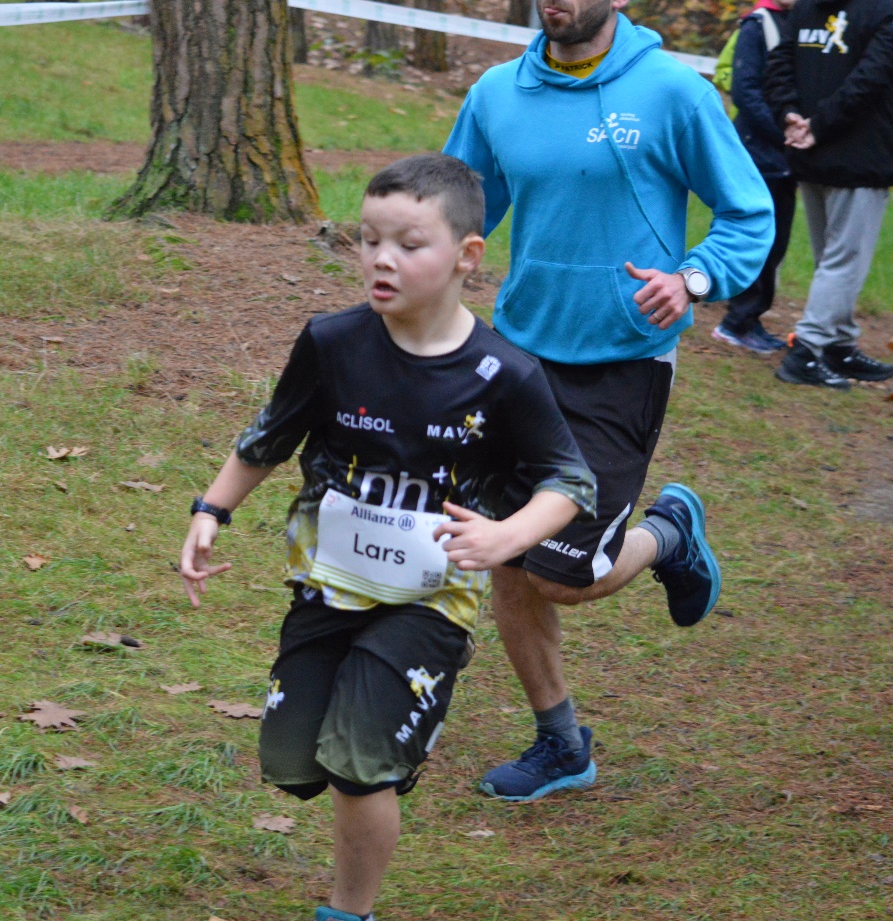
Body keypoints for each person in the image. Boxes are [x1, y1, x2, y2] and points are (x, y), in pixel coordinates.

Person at [179, 154, 597, 921]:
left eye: (408, 243)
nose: (380, 259)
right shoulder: (333, 343)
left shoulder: (506, 374)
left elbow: (569, 483)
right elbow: (269, 436)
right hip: (327, 585)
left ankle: (348, 909)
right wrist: (213, 508)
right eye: (369, 240)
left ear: (468, 256)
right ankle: (392, 735)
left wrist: (507, 535)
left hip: (431, 602)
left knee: (356, 766)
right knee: (294, 761)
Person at [443, 0, 775, 801]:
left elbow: (747, 210)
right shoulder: (496, 93)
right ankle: (560, 743)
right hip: (519, 352)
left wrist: (692, 278)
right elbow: (458, 210)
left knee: (566, 575)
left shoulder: (672, 92)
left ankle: (668, 532)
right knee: (505, 550)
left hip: (623, 360)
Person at [765, 0, 893, 389]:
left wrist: (793, 117)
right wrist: (805, 120)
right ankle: (808, 349)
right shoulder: (891, 9)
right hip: (857, 155)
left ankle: (838, 344)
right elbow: (871, 78)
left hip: (813, 147)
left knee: (830, 260)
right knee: (843, 261)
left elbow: (780, 64)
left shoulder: (805, 8)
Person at [713, 0, 800, 354]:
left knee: (777, 242)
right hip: (758, 152)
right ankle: (736, 322)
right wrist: (780, 131)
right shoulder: (756, 26)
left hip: (787, 154)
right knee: (758, 238)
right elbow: (744, 89)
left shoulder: (799, 23)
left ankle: (749, 317)